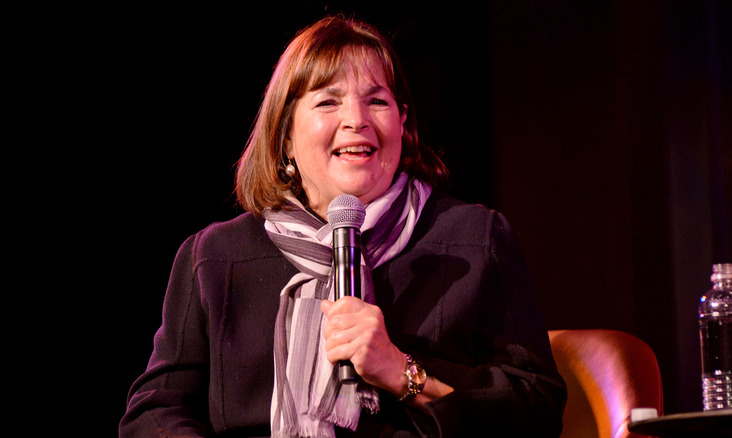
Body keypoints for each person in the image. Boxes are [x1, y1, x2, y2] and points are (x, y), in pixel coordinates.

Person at [120, 15, 567, 438]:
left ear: (403, 123)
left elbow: (538, 409)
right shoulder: (216, 256)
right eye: (328, 101)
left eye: (377, 101)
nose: (357, 120)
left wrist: (403, 373)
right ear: (285, 136)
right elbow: (155, 411)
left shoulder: (474, 238)